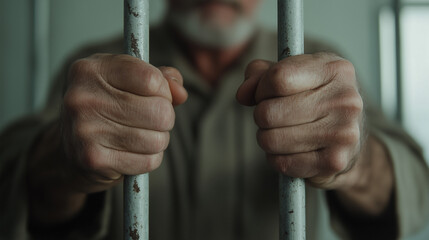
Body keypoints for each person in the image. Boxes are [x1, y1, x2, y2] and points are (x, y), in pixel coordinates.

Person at [1, 0, 428, 239]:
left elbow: (417, 190)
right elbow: (10, 177)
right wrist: (64, 158)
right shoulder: (98, 70)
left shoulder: (319, 62)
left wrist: (356, 159)